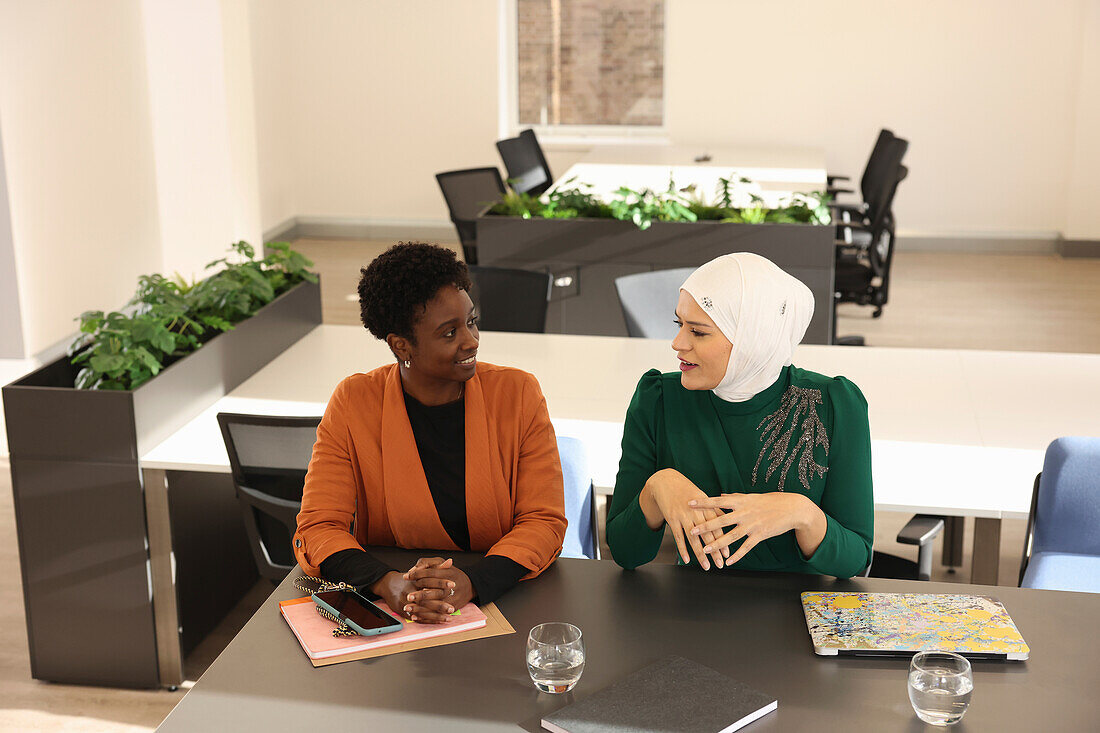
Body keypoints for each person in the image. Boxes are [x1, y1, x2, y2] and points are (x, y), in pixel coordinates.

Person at [294, 242, 567, 623]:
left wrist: (471, 582)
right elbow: (320, 526)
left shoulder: (518, 393)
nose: (471, 340)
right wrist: (385, 582)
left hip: (503, 601)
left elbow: (543, 521)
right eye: (449, 332)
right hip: (396, 612)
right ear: (402, 345)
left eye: (471, 321)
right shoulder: (354, 402)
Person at [606, 253, 873, 579]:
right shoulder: (658, 399)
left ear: (752, 337)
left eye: (698, 332)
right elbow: (625, 552)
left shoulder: (834, 405)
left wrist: (801, 512)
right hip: (692, 613)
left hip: (797, 612)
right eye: (679, 325)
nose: (677, 343)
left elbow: (855, 560)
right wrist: (657, 487)